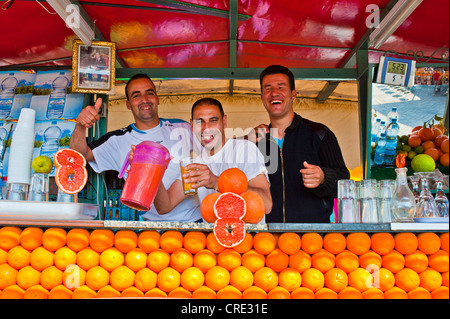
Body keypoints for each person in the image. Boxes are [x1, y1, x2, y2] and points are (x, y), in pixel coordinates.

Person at [69, 73, 202, 222]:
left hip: (195, 222)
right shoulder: (117, 140)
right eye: (136, 96)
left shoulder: (183, 127)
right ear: (128, 104)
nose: (144, 100)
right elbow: (77, 155)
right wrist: (80, 125)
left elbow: (214, 151)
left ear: (157, 99)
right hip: (151, 227)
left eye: (149, 93)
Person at [248, 65, 350, 223]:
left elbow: (345, 182)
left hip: (311, 235)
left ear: (293, 94)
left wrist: (324, 177)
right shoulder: (255, 141)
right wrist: (244, 141)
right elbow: (234, 180)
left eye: (281, 87)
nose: (274, 92)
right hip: (265, 237)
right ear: (262, 97)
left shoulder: (320, 134)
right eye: (268, 88)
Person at [149, 98, 272, 220]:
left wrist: (216, 183)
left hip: (248, 238)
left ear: (224, 122)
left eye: (213, 120)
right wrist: (151, 169)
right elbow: (164, 207)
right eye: (200, 122)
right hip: (212, 238)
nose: (206, 128)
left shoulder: (244, 149)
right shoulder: (196, 163)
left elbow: (266, 204)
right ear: (192, 125)